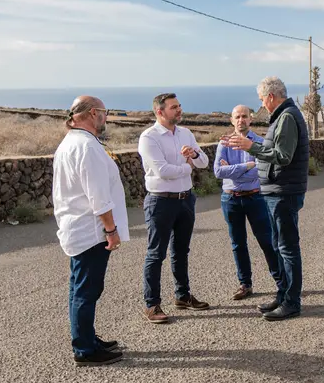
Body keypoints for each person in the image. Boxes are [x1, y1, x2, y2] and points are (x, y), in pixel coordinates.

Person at [221, 76, 309, 321]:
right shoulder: (283, 116)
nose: (261, 104)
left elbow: (283, 156)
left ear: (271, 96)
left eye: (261, 99)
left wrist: (251, 147)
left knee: (287, 248)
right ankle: (283, 296)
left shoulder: (287, 117)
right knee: (279, 246)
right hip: (277, 192)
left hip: (283, 192)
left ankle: (291, 303)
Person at [52, 95, 130, 367]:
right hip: (91, 230)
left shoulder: (71, 142)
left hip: (77, 227)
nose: (106, 117)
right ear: (93, 113)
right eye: (105, 112)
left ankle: (87, 338)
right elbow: (98, 195)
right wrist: (111, 229)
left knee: (80, 289)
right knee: (87, 290)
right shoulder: (86, 146)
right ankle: (85, 349)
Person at [137, 92, 209, 324]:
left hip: (185, 199)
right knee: (156, 253)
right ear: (160, 112)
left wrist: (194, 154)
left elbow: (204, 162)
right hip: (161, 201)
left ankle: (183, 296)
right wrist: (188, 168)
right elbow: (163, 171)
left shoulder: (186, 133)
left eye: (179, 106)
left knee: (181, 251)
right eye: (173, 107)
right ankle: (152, 304)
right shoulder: (149, 137)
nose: (179, 110)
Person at [213, 105, 282, 302]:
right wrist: (248, 165)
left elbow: (261, 170)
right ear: (231, 120)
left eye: (244, 116)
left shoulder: (260, 142)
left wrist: (233, 170)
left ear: (250, 119)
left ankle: (281, 282)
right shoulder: (224, 143)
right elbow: (218, 172)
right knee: (238, 243)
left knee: (267, 241)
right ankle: (245, 284)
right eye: (237, 117)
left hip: (255, 197)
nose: (241, 120)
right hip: (230, 199)